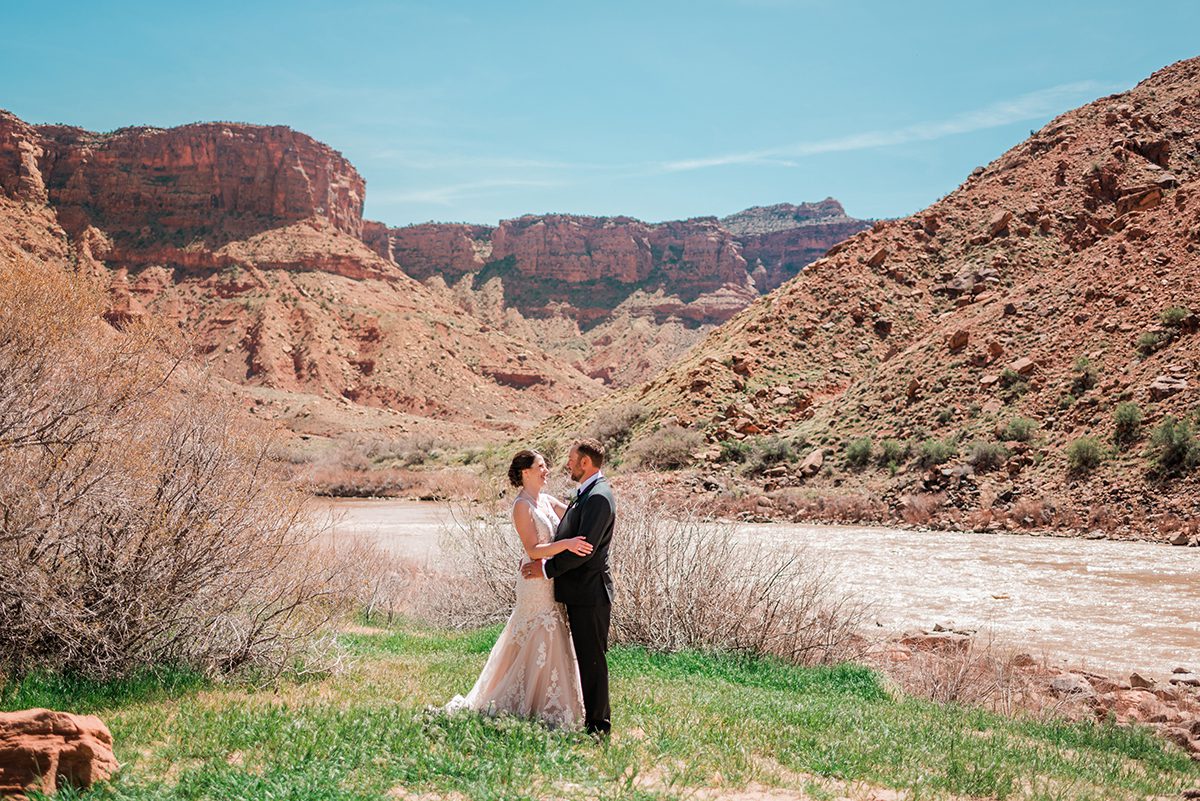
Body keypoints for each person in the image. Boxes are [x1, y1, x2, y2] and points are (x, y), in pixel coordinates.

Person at [445, 450, 591, 729]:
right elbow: (533, 550)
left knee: (554, 634)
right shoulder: (521, 506)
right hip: (534, 582)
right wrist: (568, 545)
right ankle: (519, 701)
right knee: (535, 632)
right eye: (541, 466)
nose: (546, 470)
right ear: (525, 472)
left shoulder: (546, 500)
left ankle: (552, 702)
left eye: (546, 465)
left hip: (551, 579)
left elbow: (577, 513)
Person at [520, 438, 616, 736]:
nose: (568, 464)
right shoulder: (586, 493)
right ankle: (590, 720)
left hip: (590, 593)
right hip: (580, 592)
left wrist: (545, 568)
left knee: (592, 661)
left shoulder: (599, 496)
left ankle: (599, 727)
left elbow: (583, 550)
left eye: (572, 459)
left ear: (585, 463)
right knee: (586, 659)